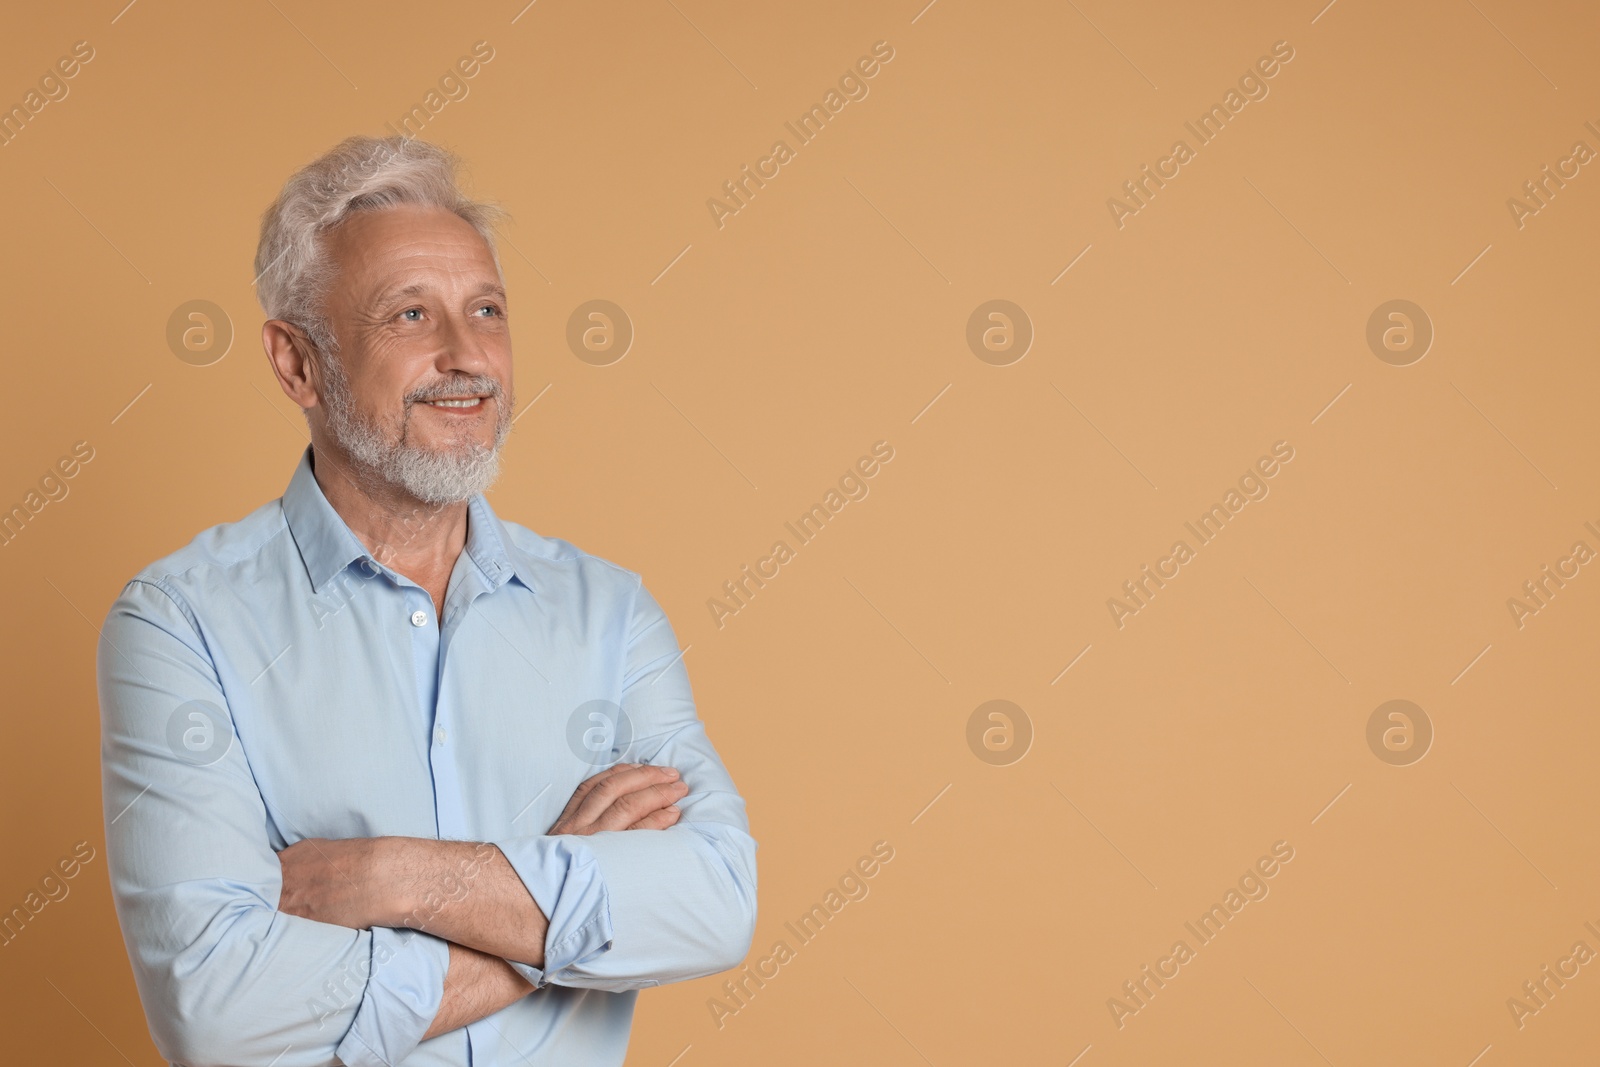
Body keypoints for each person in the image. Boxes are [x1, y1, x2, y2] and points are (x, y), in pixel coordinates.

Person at [96, 135, 757, 1066]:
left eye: (486, 310)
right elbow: (217, 1010)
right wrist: (556, 908)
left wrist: (392, 877)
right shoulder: (179, 622)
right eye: (410, 314)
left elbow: (716, 900)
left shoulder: (610, 613)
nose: (467, 357)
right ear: (297, 366)